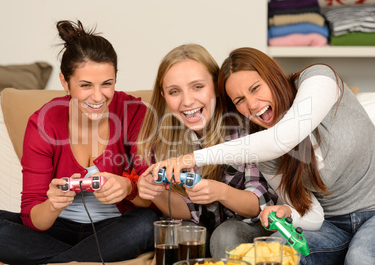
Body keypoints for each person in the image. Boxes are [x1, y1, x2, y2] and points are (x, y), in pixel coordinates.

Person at [144, 47, 375, 264]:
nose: (253, 105)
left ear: (273, 74)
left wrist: (191, 159)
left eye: (255, 88)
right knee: (276, 253)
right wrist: (288, 212)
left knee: (360, 257)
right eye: (240, 100)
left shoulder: (319, 78)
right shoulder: (264, 152)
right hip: (331, 226)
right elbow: (313, 215)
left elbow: (285, 136)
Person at [0, 20, 160, 264]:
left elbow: (151, 195)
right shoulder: (43, 122)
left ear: (115, 78)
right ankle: (78, 260)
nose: (97, 96)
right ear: (65, 82)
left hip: (115, 229)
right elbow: (33, 217)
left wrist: (128, 188)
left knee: (148, 224)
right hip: (56, 230)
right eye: (85, 85)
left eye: (107, 83)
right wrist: (52, 205)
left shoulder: (134, 112)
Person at [136, 44, 277, 258]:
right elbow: (189, 212)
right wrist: (156, 192)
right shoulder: (165, 138)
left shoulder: (244, 127)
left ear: (216, 87)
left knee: (226, 233)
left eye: (197, 87)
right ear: (164, 95)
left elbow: (259, 204)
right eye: (175, 91)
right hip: (206, 228)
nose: (187, 101)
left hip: (251, 226)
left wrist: (220, 191)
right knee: (179, 232)